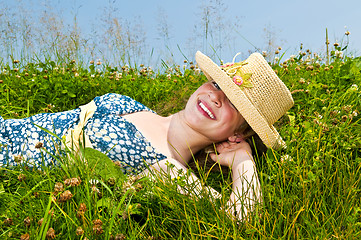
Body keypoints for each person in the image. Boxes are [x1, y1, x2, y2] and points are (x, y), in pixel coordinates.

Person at [0, 51, 294, 220]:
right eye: (217, 85)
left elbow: (243, 220)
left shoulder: (168, 169)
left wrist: (244, 162)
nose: (216, 97)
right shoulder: (132, 104)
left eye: (234, 103)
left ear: (238, 134)